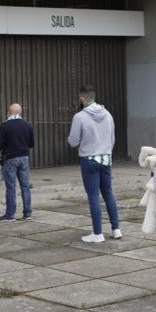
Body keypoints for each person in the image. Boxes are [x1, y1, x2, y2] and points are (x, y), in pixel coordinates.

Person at [67, 85, 120, 243]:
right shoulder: (108, 114)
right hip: (106, 158)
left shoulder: (79, 117)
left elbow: (73, 141)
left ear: (82, 98)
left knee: (93, 196)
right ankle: (116, 229)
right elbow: (112, 138)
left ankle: (97, 233)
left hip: (89, 160)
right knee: (108, 193)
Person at [0, 103, 35, 222]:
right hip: (24, 157)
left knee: (11, 187)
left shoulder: (5, 126)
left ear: (9, 112)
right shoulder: (27, 125)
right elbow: (31, 143)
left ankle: (10, 215)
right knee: (25, 186)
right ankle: (27, 213)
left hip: (10, 158)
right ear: (20, 112)